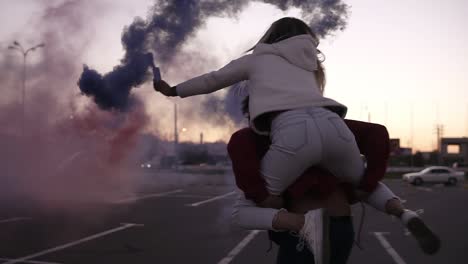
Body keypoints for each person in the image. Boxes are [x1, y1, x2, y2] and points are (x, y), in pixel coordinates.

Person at [153, 16, 439, 256]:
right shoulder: (309, 65)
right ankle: (403, 212)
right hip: (335, 129)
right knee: (362, 180)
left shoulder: (258, 58)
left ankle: (300, 224)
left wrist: (173, 90)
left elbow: (212, 79)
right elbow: (376, 136)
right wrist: (368, 179)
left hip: (292, 135)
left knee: (247, 208)